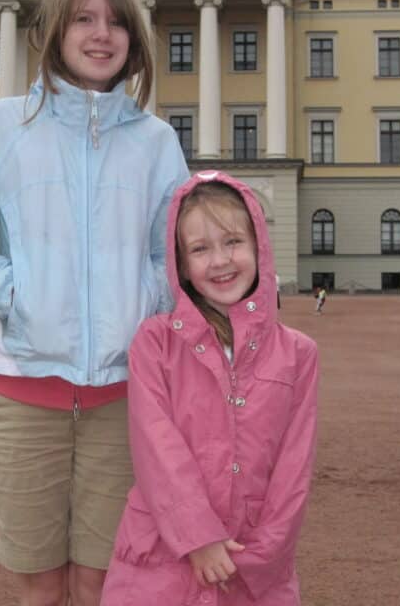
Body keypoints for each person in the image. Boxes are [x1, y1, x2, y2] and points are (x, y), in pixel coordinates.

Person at [0, 0, 190, 606]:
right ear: (52, 30)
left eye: (116, 22)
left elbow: (174, 255)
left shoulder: (158, 142)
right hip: (22, 390)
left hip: (126, 397)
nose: (102, 35)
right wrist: (18, 298)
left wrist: (146, 300)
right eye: (84, 18)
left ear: (134, 39)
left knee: (105, 581)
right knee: (39, 585)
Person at [101, 172, 317, 606]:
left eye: (233, 241)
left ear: (259, 245)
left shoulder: (299, 354)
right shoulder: (155, 342)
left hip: (252, 568)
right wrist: (198, 537)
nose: (219, 261)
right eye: (200, 249)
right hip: (161, 562)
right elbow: (156, 448)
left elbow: (294, 470)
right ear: (180, 265)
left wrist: (259, 558)